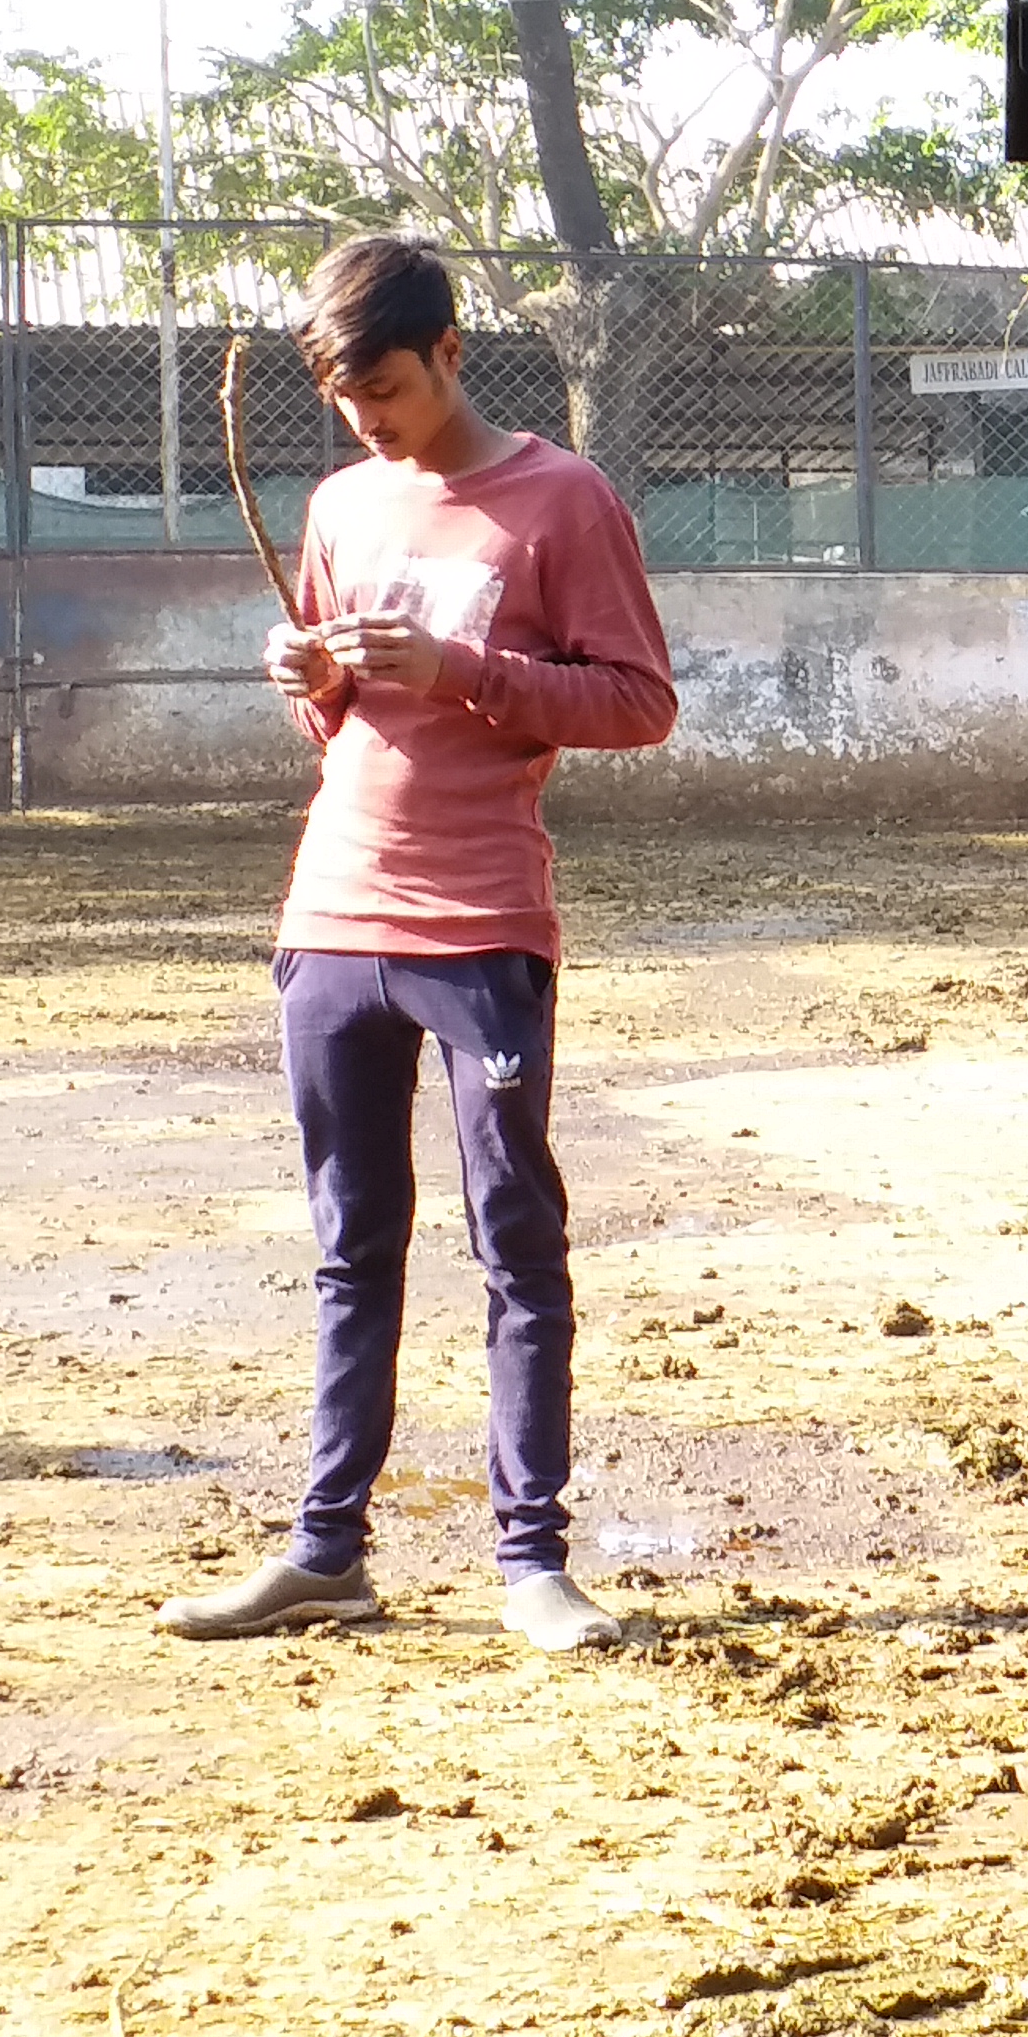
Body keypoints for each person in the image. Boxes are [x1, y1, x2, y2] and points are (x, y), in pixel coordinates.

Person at [157, 235, 680, 1655]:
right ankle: (327, 1551)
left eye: (385, 386)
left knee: (517, 1237)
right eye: (343, 397)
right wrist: (313, 682)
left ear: (452, 351)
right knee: (350, 1245)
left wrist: (465, 670)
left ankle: (533, 1564)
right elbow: (346, 732)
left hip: (482, 922)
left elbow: (638, 702)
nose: (368, 419)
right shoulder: (341, 504)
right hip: (329, 917)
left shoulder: (561, 500)